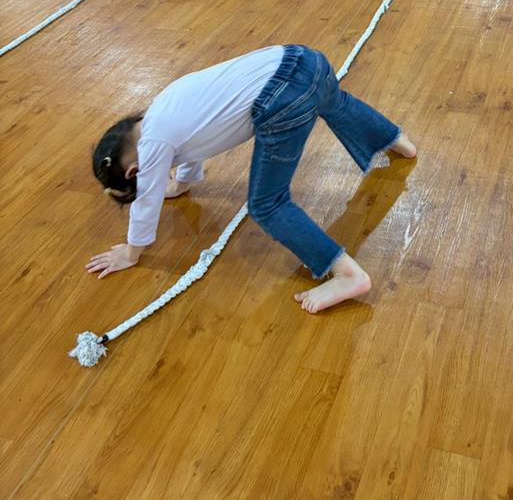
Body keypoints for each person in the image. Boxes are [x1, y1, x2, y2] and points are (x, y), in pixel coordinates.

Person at [86, 45, 417, 313]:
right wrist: (182, 184)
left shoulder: (152, 144)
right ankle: (396, 140)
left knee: (267, 204)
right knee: (333, 101)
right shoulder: (162, 107)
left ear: (133, 172)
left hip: (282, 100)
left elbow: (146, 202)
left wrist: (131, 253)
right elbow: (191, 144)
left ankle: (348, 275)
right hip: (304, 60)